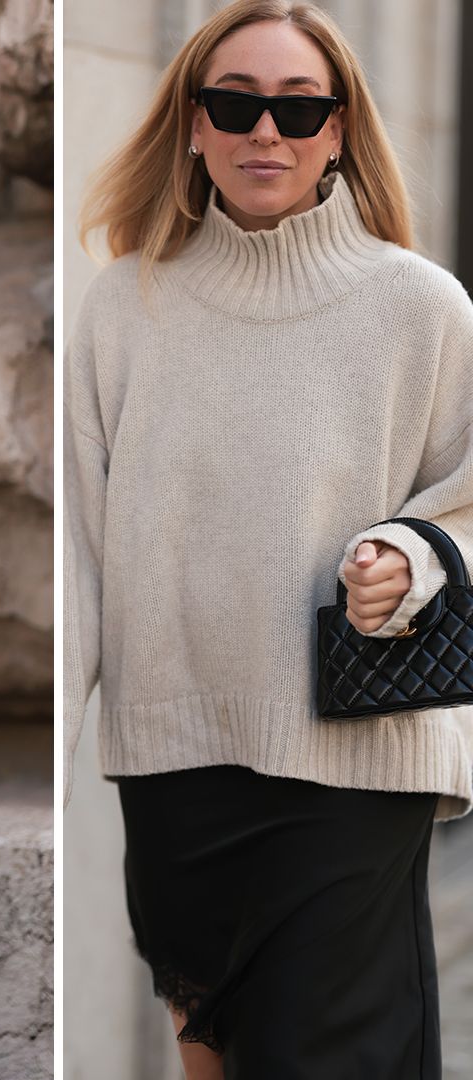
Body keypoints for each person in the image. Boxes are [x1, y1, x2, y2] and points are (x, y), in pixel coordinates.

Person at [69, 2, 472, 1075]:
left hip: (353, 760)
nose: (266, 134)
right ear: (193, 125)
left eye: (299, 111)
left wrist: (413, 554)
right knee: (215, 1058)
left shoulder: (421, 307)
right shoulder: (121, 310)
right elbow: (76, 552)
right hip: (176, 765)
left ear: (339, 129)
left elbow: (469, 496)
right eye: (236, 104)